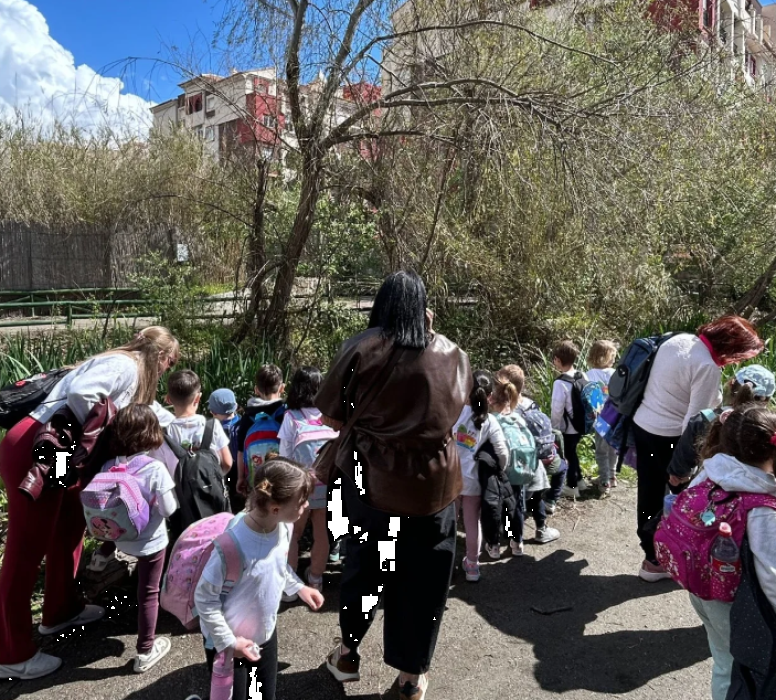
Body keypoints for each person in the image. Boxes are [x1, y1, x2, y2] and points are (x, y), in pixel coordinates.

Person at [316, 270, 471, 700]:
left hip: (370, 481)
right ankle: (410, 677)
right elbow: (453, 414)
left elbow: (330, 417)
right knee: (425, 578)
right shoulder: (453, 354)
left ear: (380, 306)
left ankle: (347, 654)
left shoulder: (360, 348)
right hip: (434, 485)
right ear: (425, 310)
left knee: (363, 566)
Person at [0, 326, 179, 680]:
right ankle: (11, 653)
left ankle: (60, 611)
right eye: (169, 363)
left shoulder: (132, 372)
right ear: (161, 355)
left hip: (56, 454)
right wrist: (97, 435)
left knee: (68, 530)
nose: (167, 370)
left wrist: (189, 426)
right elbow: (84, 394)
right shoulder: (125, 365)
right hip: (39, 450)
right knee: (25, 550)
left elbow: (150, 410)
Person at [633, 316, 763, 582]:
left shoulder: (680, 339)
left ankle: (651, 556)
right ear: (730, 346)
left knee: (648, 490)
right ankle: (671, 556)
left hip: (643, 424)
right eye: (739, 354)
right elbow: (695, 424)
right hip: (668, 437)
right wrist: (684, 468)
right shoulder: (706, 366)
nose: (737, 361)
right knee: (683, 500)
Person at [187, 458, 324, 700]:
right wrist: (229, 642)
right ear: (275, 508)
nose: (306, 505)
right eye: (301, 502)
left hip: (264, 634)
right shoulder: (231, 546)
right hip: (228, 642)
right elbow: (204, 599)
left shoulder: (283, 526)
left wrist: (299, 587)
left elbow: (277, 565)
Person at [685, 406, 776, 700]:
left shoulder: (709, 471)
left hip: (700, 586)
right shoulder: (760, 508)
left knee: (723, 660)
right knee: (739, 667)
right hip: (733, 602)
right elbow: (770, 577)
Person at [99, 404, 178, 672]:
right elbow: (169, 509)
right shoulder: (154, 468)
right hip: (150, 541)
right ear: (152, 433)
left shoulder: (110, 465)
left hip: (119, 536)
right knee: (148, 593)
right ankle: (145, 651)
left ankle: (99, 559)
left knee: (145, 592)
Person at [278, 366, 338, 596]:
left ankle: (290, 587)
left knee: (293, 533)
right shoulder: (329, 416)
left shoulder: (291, 417)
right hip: (327, 484)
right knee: (322, 533)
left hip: (300, 486)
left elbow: (284, 456)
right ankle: (315, 580)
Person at [667, 365, 776, 489]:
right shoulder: (769, 429)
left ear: (730, 385)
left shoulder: (705, 419)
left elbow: (681, 466)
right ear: (767, 400)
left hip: (709, 491)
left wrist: (679, 475)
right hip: (757, 492)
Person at [492, 366, 559, 553]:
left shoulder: (497, 417)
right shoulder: (528, 408)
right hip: (531, 467)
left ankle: (503, 534)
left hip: (509, 470)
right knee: (527, 503)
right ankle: (531, 535)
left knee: (508, 502)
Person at [453, 370, 509, 582]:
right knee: (471, 524)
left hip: (451, 480)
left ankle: (446, 562)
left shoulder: (454, 412)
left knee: (448, 523)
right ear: (490, 397)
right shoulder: (490, 421)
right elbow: (503, 451)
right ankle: (473, 566)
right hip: (474, 481)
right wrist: (500, 469)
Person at [166, 370, 233, 475]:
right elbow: (227, 462)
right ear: (198, 398)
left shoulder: (165, 433)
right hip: (210, 488)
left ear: (168, 399)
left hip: (178, 490)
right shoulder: (212, 426)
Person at [235, 365, 286, 498]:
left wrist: (241, 478)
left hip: (256, 480)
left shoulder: (248, 416)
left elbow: (241, 451)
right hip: (281, 478)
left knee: (259, 506)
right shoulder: (285, 413)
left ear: (256, 390)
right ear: (282, 388)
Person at [550, 340, 588, 499]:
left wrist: (554, 429)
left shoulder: (560, 383)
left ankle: (572, 486)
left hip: (568, 427)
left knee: (568, 455)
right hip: (582, 424)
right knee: (573, 452)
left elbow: (557, 409)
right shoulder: (581, 375)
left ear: (558, 360)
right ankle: (580, 481)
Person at [586, 340, 618, 496]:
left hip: (601, 418)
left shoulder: (590, 374)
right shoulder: (615, 374)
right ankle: (611, 476)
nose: (614, 360)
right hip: (616, 417)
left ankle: (604, 481)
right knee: (613, 448)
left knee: (601, 451)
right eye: (612, 357)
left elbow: (593, 399)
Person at [208, 388, 242, 508]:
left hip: (224, 477)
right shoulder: (244, 424)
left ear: (213, 411)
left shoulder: (213, 431)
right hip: (243, 475)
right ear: (236, 406)